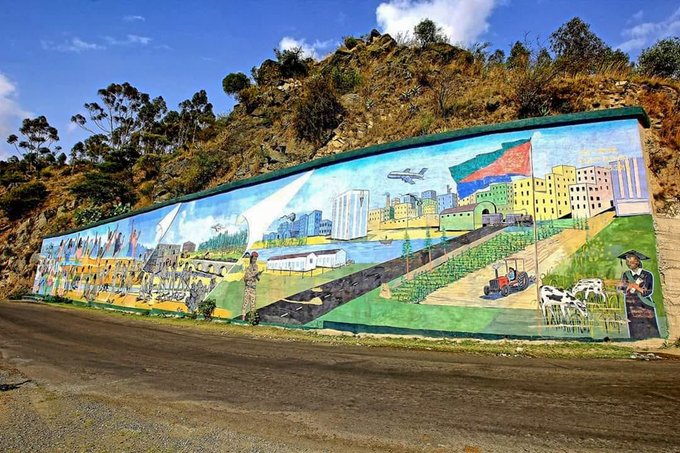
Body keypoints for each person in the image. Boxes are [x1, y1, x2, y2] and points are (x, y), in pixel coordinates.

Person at [617, 250, 659, 339]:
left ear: (637, 262)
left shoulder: (647, 275)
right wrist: (626, 286)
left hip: (644, 304)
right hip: (631, 304)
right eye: (627, 262)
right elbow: (622, 289)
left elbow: (648, 291)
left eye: (631, 262)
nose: (629, 264)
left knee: (649, 326)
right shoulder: (626, 274)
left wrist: (636, 287)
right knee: (634, 325)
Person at [242, 251, 261, 323]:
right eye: (254, 258)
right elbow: (245, 278)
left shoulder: (256, 267)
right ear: (251, 258)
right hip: (248, 287)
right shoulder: (248, 268)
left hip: (253, 288)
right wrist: (251, 277)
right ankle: (243, 318)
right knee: (245, 303)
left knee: (253, 304)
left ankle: (252, 318)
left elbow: (256, 277)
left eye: (256, 259)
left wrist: (257, 276)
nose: (255, 260)